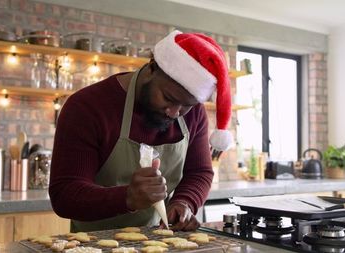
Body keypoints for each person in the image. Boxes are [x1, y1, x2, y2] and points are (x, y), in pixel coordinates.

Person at [49, 30, 233, 232]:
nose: (174, 113)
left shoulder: (194, 113)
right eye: (168, 98)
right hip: (92, 243)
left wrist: (184, 202)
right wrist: (127, 197)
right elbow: (65, 194)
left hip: (158, 241)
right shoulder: (87, 107)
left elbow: (199, 172)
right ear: (152, 67)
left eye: (185, 105)